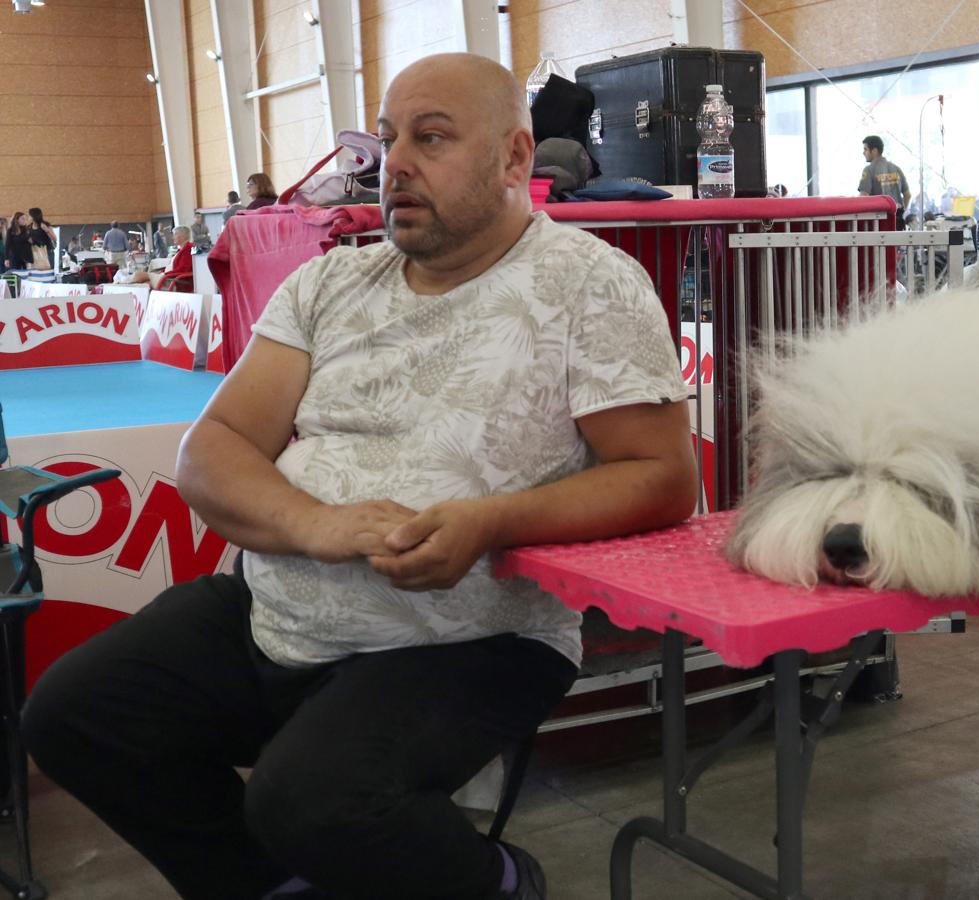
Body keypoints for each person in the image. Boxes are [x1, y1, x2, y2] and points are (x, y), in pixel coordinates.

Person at [22, 52, 696, 900]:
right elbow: (215, 446)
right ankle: (268, 887)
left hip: (472, 637)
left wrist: (490, 523)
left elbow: (662, 477)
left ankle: (497, 883)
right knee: (73, 715)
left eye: (433, 137)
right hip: (278, 605)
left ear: (516, 157)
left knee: (313, 801)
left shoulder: (589, 287)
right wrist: (316, 527)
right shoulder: (332, 281)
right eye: (387, 139)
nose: (396, 163)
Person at [857, 135, 911, 212]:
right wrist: (901, 211)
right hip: (897, 217)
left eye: (866, 149)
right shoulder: (896, 169)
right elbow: (907, 195)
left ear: (874, 151)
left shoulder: (869, 170)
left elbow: (863, 197)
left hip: (879, 219)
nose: (863, 153)